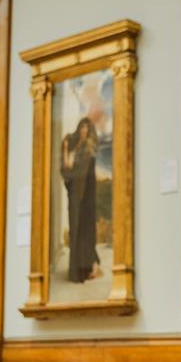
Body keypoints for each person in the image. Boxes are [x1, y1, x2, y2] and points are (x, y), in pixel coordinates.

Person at [60, 118, 101, 282]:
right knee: (77, 233)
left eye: (87, 127)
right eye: (82, 126)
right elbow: (67, 166)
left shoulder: (88, 149)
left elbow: (77, 171)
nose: (84, 130)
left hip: (85, 197)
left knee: (85, 233)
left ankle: (90, 266)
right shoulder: (76, 147)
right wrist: (64, 148)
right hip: (76, 196)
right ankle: (81, 269)